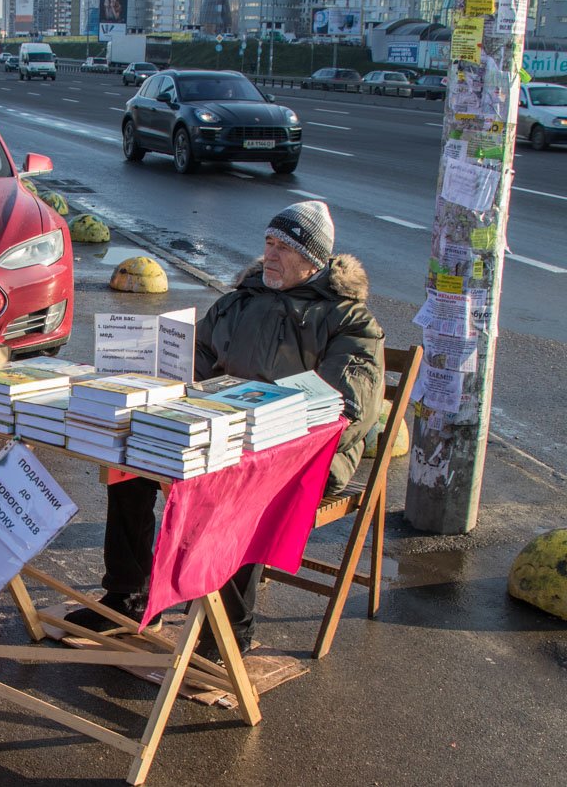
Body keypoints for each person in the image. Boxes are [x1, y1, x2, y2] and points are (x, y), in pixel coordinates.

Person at [65, 201, 385, 657]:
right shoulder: (241, 301)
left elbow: (346, 408)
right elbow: (193, 358)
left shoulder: (349, 321)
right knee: (132, 459)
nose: (269, 255)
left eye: (284, 247)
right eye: (268, 243)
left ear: (313, 257)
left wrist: (270, 427)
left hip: (303, 454)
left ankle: (229, 632)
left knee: (236, 483)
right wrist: (160, 377)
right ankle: (128, 595)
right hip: (221, 429)